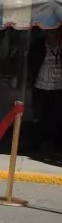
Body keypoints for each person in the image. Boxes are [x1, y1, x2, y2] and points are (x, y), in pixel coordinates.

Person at [30, 27, 62, 156]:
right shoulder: (39, 45)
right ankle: (39, 144)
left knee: (56, 117)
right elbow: (32, 62)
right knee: (39, 116)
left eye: (55, 33)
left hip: (59, 87)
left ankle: (53, 144)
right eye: (50, 32)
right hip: (41, 85)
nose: (52, 35)